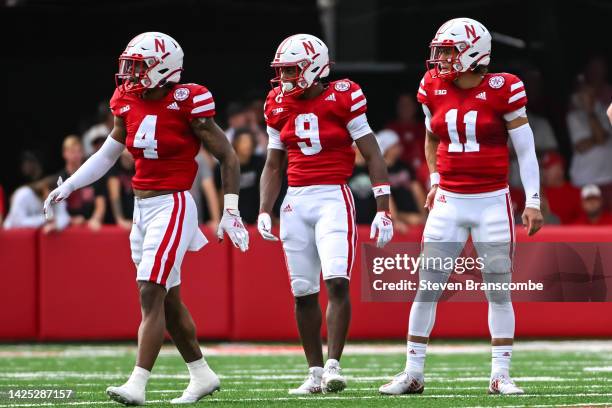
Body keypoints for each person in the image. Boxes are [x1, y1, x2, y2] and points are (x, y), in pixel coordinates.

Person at [44, 32, 249, 406]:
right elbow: (108, 154)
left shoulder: (187, 100)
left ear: (164, 68)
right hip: (141, 209)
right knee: (168, 300)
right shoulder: (128, 99)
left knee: (149, 290)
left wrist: (230, 209)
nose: (131, 74)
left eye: (139, 66)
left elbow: (229, 155)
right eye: (130, 66)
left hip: (173, 204)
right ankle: (202, 374)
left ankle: (137, 384)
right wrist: (70, 185)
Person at [379, 18, 543, 396]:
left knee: (498, 290)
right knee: (427, 287)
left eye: (450, 50)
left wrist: (533, 199)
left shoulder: (505, 87)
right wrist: (435, 181)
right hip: (450, 201)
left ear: (474, 52)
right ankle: (412, 372)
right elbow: (431, 138)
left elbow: (525, 149)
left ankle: (500, 374)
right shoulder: (432, 85)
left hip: (491, 201)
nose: (443, 58)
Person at [257, 33, 393, 395]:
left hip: (333, 196)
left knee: (336, 281)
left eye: (291, 70)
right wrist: (264, 209)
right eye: (282, 71)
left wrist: (383, 208)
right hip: (295, 200)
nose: (284, 78)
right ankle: (314, 372)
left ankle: (333, 364)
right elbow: (273, 164)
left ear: (316, 68)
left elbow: (372, 152)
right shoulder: (276, 103)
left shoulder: (342, 96)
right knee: (302, 292)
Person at [567, 81, 612, 209]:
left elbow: (601, 138)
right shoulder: (573, 116)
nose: (588, 98)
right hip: (585, 179)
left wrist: (594, 139)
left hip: (608, 178)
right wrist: (597, 138)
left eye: (591, 95)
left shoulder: (605, 112)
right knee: (585, 222)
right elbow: (581, 146)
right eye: (585, 95)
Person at [376, 129, 427, 228]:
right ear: (386, 148)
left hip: (415, 215)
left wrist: (423, 216)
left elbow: (416, 188)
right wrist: (398, 219)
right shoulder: (378, 170)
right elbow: (384, 198)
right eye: (395, 145)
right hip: (396, 216)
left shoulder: (404, 166)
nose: (399, 148)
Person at [215, 128, 264, 224]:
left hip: (255, 217)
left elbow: (263, 189)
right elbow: (220, 195)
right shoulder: (224, 166)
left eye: (249, 142)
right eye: (244, 142)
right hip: (233, 219)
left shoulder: (259, 163)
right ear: (236, 143)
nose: (247, 145)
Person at [58, 135, 107, 230]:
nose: (76, 155)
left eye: (79, 151)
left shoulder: (93, 175)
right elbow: (57, 211)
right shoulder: (60, 179)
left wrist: (96, 218)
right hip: (67, 229)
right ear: (64, 153)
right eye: (72, 151)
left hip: (90, 226)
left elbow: (100, 203)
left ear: (83, 153)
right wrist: (70, 220)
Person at [4, 177, 69, 232]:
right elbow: (17, 222)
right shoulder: (23, 194)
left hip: (36, 239)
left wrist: (57, 225)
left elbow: (64, 216)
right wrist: (45, 219)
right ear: (45, 188)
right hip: (13, 235)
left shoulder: (57, 199)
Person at [385, 94, 426, 175]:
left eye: (408, 105)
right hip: (398, 172)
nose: (405, 108)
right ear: (397, 108)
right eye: (402, 105)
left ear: (415, 107)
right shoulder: (390, 129)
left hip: (424, 171)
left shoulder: (424, 128)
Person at [540, 152, 582, 224]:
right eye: (543, 169)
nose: (544, 172)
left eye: (548, 169)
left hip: (569, 233)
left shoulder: (575, 193)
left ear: (560, 170)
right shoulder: (537, 191)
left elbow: (583, 220)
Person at [107, 149, 135, 230]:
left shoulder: (139, 165)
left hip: (135, 219)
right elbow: (114, 196)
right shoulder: (114, 166)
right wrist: (120, 219)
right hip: (115, 222)